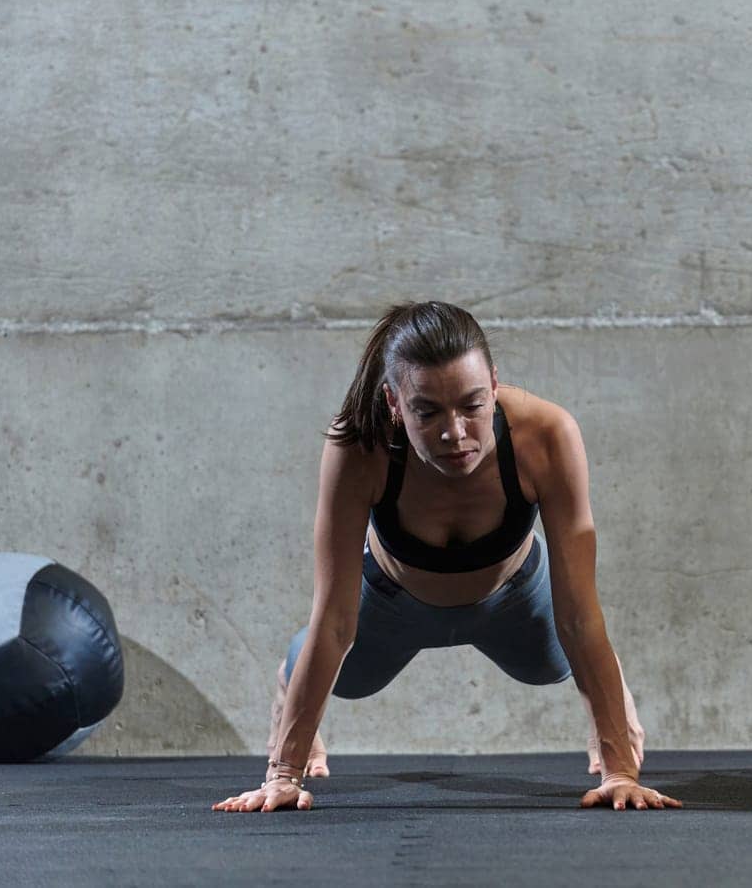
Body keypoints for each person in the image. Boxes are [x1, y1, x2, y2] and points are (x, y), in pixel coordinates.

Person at [214, 301, 678, 813]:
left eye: (472, 406)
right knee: (343, 676)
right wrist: (284, 772)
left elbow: (577, 613)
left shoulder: (547, 434)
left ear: (495, 385)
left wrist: (619, 770)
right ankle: (290, 676)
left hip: (517, 600)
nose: (454, 432)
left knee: (557, 663)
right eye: (427, 411)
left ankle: (607, 693)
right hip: (390, 605)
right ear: (393, 402)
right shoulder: (358, 446)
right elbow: (334, 622)